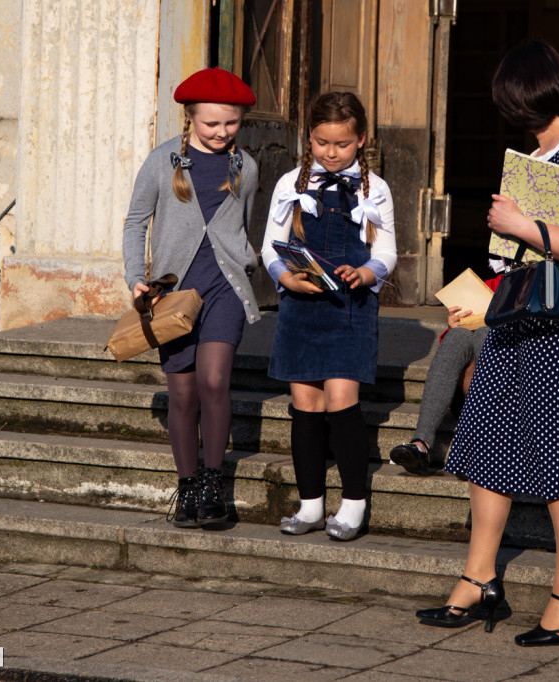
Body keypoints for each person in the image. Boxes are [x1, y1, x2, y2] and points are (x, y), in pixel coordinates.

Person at [415, 42, 559, 645]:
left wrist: (523, 225)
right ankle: (477, 577)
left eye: (512, 104)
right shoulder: (542, 149)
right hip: (518, 310)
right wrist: (493, 270)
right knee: (486, 437)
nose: (512, 117)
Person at [122, 67, 261, 529]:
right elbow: (135, 222)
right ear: (191, 118)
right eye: (212, 124)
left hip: (224, 289)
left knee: (215, 381)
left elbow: (241, 226)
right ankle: (187, 486)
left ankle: (213, 485)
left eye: (232, 123)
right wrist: (135, 277)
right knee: (182, 392)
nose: (222, 132)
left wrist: (248, 263)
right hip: (174, 293)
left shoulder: (248, 167)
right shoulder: (163, 162)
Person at [261, 91, 396, 542]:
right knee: (306, 406)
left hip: (350, 309)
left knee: (341, 401)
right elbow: (269, 245)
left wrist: (366, 271)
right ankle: (311, 503)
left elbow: (387, 252)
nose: (331, 153)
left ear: (360, 140)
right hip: (301, 308)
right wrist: (286, 277)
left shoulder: (374, 188)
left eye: (341, 144)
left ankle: (354, 503)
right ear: (309, 139)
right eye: (322, 143)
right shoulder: (290, 184)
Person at [388, 274, 501, 476]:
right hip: (466, 393)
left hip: (508, 397)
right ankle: (421, 444)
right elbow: (448, 360)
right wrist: (452, 326)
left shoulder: (550, 289)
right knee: (457, 335)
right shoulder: (494, 284)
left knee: (486, 334)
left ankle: (483, 447)